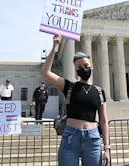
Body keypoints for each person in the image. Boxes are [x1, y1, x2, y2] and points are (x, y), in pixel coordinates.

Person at [41, 34, 110, 166]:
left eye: (86, 65)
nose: (83, 68)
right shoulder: (69, 86)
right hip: (70, 138)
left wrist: (107, 147)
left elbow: (104, 121)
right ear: (75, 70)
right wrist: (55, 47)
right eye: (79, 67)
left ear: (92, 66)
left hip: (93, 139)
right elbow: (45, 72)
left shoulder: (99, 91)